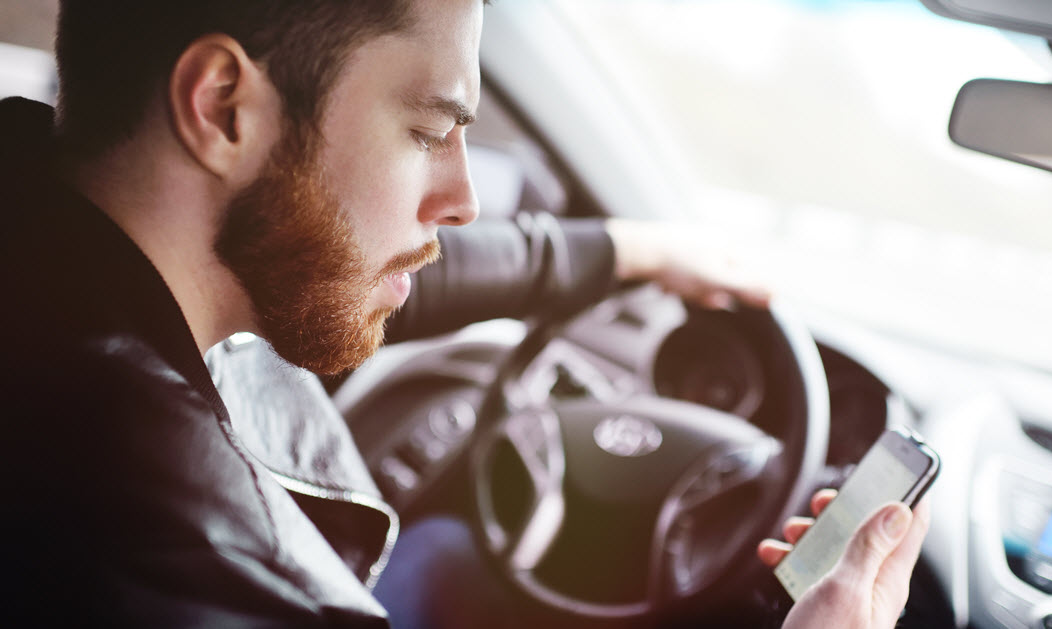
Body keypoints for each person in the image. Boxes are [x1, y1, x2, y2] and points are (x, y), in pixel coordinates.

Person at [0, 0, 927, 626]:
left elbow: (347, 261)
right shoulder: (198, 555)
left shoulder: (44, 218)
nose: (463, 197)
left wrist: (634, 251)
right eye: (431, 131)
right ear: (224, 105)